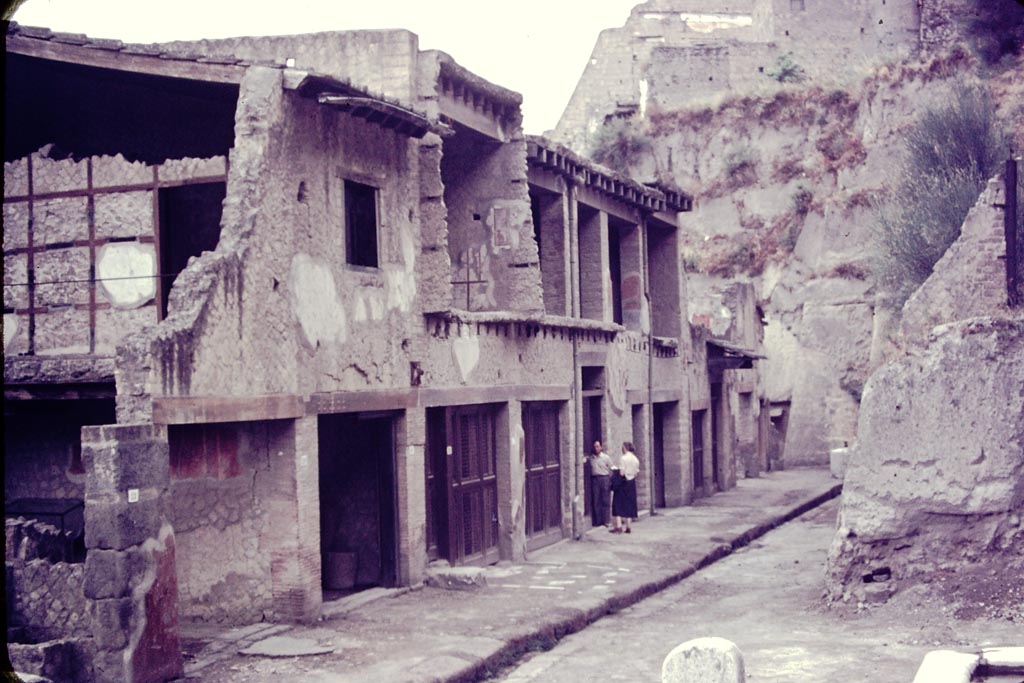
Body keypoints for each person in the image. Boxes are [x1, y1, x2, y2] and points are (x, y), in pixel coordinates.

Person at [610, 441, 640, 534]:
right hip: (631, 483)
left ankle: (618, 526)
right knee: (629, 503)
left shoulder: (623, 458)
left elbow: (622, 473)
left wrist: (616, 470)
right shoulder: (636, 459)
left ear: (625, 448)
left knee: (618, 503)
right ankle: (628, 526)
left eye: (623, 447)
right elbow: (636, 473)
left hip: (623, 483)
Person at [586, 440, 613, 527]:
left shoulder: (606, 458)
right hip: (595, 479)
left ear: (601, 447)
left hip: (604, 478)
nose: (596, 448)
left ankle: (606, 520)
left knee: (605, 499)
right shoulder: (591, 458)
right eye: (595, 447)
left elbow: (611, 468)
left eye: (598, 446)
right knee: (596, 499)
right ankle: (598, 521)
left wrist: (610, 480)